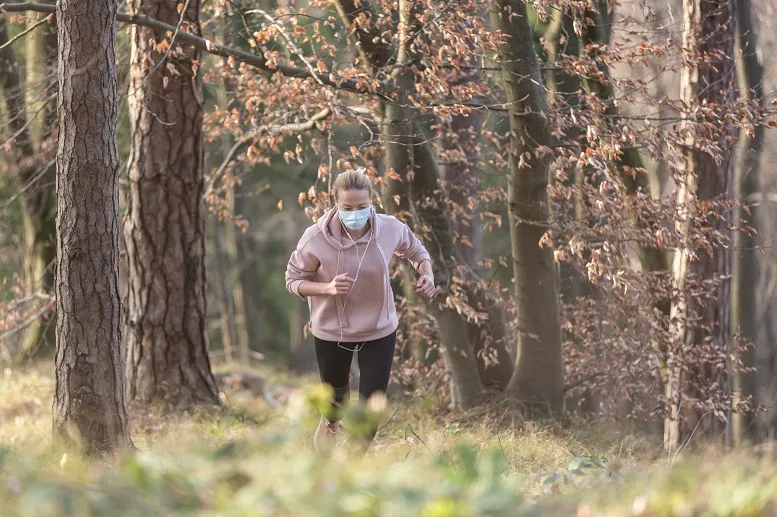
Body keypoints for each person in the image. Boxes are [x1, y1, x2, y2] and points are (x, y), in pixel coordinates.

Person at [285, 168, 435, 453]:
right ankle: (330, 424)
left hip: (379, 328)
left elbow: (417, 251)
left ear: (372, 201)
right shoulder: (314, 237)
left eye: (362, 207)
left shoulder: (390, 228)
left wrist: (427, 274)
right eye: (347, 208)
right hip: (331, 330)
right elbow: (293, 281)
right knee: (336, 399)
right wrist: (327, 288)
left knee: (371, 402)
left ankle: (354, 463)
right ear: (335, 204)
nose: (355, 213)